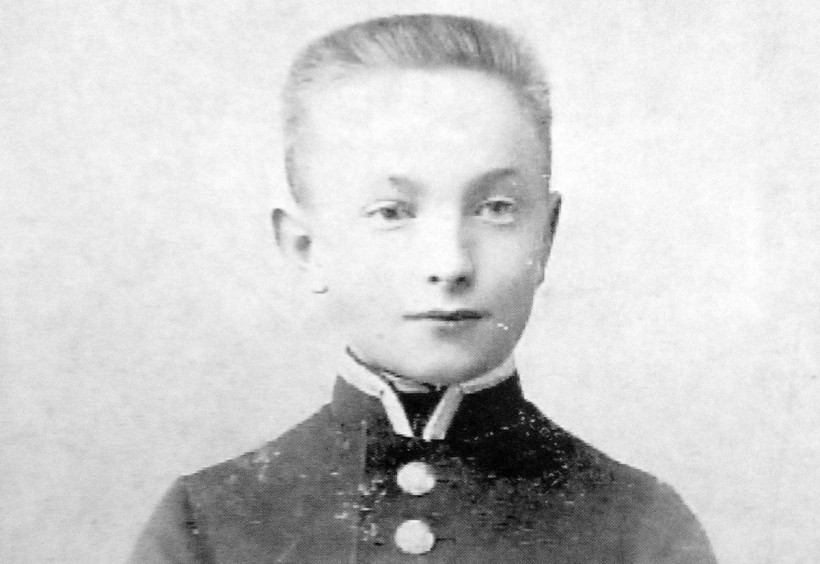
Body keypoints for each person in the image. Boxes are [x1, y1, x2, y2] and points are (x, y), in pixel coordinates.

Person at [129, 14, 717, 563]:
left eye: (495, 207)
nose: (450, 264)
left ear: (547, 236)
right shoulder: (207, 527)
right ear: (306, 249)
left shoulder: (641, 530)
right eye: (391, 212)